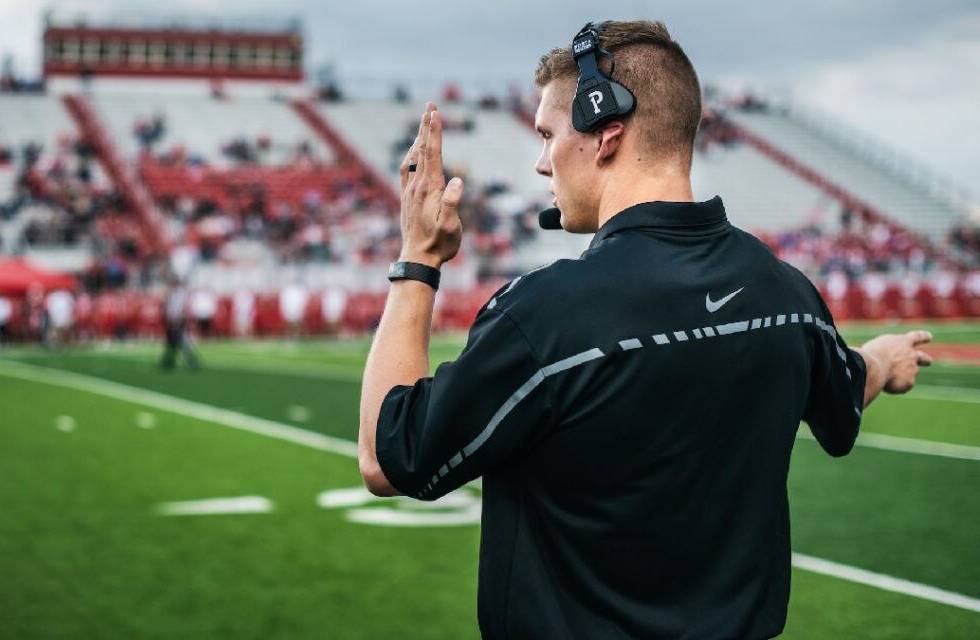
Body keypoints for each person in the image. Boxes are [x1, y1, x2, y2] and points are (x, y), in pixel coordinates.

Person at [358, 21, 933, 639]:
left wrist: (416, 261)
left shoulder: (546, 314)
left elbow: (389, 458)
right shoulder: (787, 292)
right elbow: (846, 388)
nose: (541, 162)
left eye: (549, 135)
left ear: (606, 133)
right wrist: (880, 358)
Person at [160, 278, 199, 370]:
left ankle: (190, 361)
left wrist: (176, 318)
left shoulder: (178, 294)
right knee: (172, 342)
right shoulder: (172, 294)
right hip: (173, 320)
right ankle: (169, 362)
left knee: (178, 341)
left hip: (177, 320)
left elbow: (181, 307)